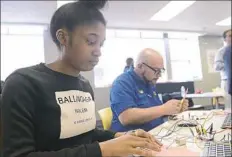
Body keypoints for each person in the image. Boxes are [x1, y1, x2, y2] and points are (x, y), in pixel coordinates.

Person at [1, 1, 162, 157]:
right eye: (91, 41)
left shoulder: (84, 86)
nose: (98, 51)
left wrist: (119, 136)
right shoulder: (24, 84)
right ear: (63, 37)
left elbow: (85, 134)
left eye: (101, 44)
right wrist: (103, 150)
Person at [110, 48, 189, 132]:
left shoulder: (149, 82)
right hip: (133, 139)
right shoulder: (122, 83)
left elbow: (156, 112)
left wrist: (174, 108)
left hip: (156, 133)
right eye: (156, 70)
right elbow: (126, 117)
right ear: (140, 66)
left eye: (161, 71)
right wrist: (163, 109)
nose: (159, 75)